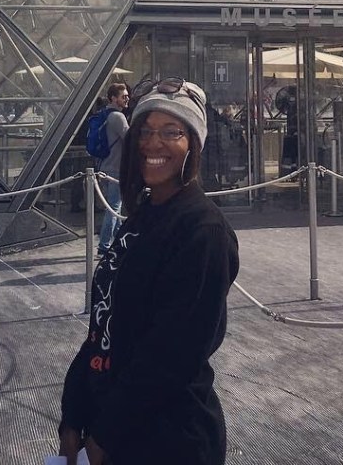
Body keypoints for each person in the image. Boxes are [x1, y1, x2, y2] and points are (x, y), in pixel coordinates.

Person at [58, 78, 239, 465]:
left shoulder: (203, 231)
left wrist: (103, 437)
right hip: (115, 428)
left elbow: (173, 354)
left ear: (194, 143)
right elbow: (104, 326)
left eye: (172, 131)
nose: (153, 143)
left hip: (168, 441)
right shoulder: (144, 214)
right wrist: (73, 413)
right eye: (145, 130)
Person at [96, 82, 130, 256]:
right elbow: (130, 139)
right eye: (124, 96)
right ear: (113, 98)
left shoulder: (104, 114)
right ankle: (104, 245)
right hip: (115, 168)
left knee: (113, 207)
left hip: (104, 167)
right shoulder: (118, 117)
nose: (127, 99)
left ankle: (120, 241)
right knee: (114, 208)